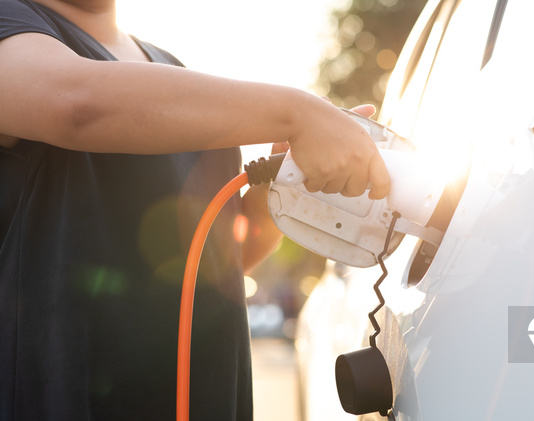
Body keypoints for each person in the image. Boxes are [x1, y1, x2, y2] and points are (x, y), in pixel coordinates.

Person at [0, 0, 390, 419]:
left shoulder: (171, 70)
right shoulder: (11, 24)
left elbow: (212, 267)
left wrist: (272, 199)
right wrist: (298, 113)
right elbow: (75, 103)